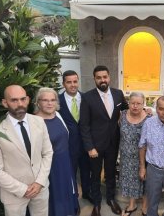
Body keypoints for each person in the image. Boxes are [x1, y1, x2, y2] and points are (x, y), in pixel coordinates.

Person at [0, 85, 53, 216]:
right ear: (5, 103)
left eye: (23, 99)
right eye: (14, 100)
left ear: (28, 99)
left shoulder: (39, 122)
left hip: (41, 188)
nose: (20, 104)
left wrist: (39, 182)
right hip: (13, 195)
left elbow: (48, 153)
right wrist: (23, 189)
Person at [79, 65, 129, 216]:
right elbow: (84, 124)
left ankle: (111, 199)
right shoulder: (87, 97)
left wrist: (144, 111)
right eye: (99, 77)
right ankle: (96, 203)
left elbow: (127, 109)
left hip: (113, 142)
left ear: (109, 77)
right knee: (95, 174)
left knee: (111, 172)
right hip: (95, 145)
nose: (102, 80)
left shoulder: (118, 94)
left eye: (104, 77)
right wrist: (89, 147)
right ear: (94, 79)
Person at [35, 87, 79, 216]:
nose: (49, 103)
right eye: (45, 100)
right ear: (38, 103)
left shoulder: (58, 115)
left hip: (64, 161)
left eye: (53, 100)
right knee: (54, 194)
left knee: (65, 191)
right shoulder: (35, 121)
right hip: (49, 166)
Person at [138, 96, 164, 216]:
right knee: (152, 201)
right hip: (153, 169)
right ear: (156, 109)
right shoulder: (149, 123)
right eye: (161, 109)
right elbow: (142, 146)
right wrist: (142, 167)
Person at [58, 70, 92, 202]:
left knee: (86, 170)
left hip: (85, 144)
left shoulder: (86, 98)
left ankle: (87, 193)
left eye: (75, 81)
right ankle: (73, 197)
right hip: (67, 145)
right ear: (63, 84)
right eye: (69, 82)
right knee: (70, 172)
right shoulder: (57, 101)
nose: (73, 85)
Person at [119, 92, 149, 216]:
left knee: (145, 181)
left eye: (139, 103)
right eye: (133, 103)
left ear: (143, 104)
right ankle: (132, 204)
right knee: (130, 179)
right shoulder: (121, 115)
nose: (135, 106)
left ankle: (145, 207)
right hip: (126, 156)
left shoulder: (149, 118)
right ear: (129, 103)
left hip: (144, 156)